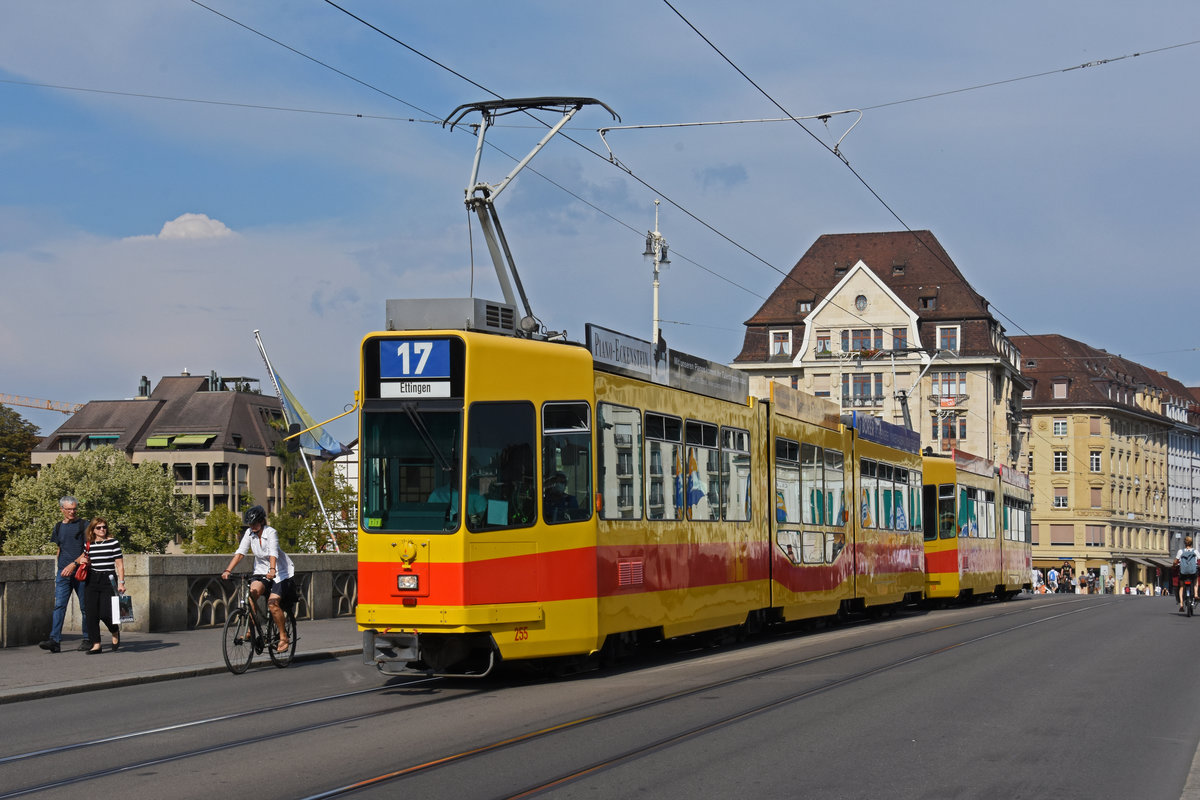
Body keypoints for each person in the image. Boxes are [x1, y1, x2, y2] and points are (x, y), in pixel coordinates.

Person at [220, 506, 295, 653]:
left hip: (280, 573)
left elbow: (273, 552)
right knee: (250, 597)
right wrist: (228, 570)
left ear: (262, 521)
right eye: (250, 524)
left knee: (273, 604)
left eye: (254, 524)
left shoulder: (270, 532)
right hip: (261, 572)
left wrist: (272, 570)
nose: (252, 527)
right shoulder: (249, 533)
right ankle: (252, 630)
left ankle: (283, 637)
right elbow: (241, 553)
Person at [38, 496, 91, 653]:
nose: (72, 512)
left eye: (74, 509)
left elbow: (88, 552)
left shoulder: (84, 525)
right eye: (69, 509)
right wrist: (61, 566)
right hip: (63, 573)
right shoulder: (58, 527)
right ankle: (55, 640)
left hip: (80, 572)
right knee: (59, 606)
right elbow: (60, 548)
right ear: (62, 509)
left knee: (84, 607)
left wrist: (73, 564)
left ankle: (88, 639)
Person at [79, 517, 125, 654]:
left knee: (106, 613)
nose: (102, 530)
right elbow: (87, 560)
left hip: (108, 579)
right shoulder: (88, 544)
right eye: (98, 527)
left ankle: (114, 630)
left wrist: (121, 583)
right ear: (93, 530)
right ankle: (96, 644)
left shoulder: (113, 543)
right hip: (92, 579)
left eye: (104, 527)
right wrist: (83, 561)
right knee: (91, 613)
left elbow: (119, 564)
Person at [1175, 536, 1198, 611]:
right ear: (1192, 543)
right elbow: (1199, 560)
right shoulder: (1195, 551)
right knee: (1195, 582)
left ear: (1184, 543)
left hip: (1183, 572)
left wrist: (1174, 565)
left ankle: (1181, 605)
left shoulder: (1180, 551)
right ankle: (1196, 594)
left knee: (1181, 587)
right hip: (1192, 572)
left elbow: (1176, 561)